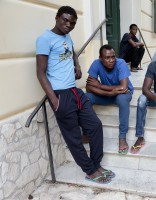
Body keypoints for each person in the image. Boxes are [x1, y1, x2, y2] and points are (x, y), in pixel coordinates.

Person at [36, 6, 114, 184]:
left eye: (72, 23)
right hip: (60, 94)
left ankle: (96, 163)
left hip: (74, 91)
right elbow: (40, 73)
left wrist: (77, 65)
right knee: (73, 137)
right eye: (65, 20)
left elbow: (71, 52)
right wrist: (54, 100)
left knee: (95, 126)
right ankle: (90, 170)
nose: (68, 25)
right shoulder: (44, 39)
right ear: (57, 17)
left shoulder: (67, 36)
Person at [85, 44, 134, 155]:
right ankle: (86, 132)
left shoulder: (121, 63)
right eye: (107, 58)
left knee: (122, 99)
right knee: (86, 97)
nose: (111, 60)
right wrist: (109, 92)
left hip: (122, 94)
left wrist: (100, 86)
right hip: (107, 94)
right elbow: (88, 87)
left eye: (113, 57)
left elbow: (123, 87)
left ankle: (122, 137)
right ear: (101, 58)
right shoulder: (96, 64)